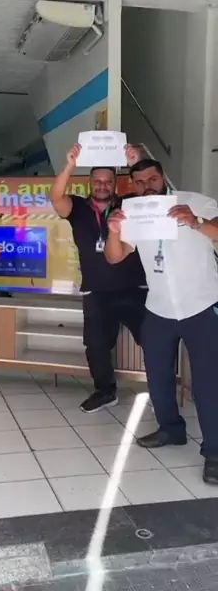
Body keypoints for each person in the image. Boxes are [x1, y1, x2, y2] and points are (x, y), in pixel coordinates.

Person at [105, 157, 218, 484]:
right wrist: (114, 231)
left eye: (152, 179)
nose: (147, 187)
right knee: (157, 377)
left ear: (162, 177)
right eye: (139, 182)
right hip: (158, 308)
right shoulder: (134, 213)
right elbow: (115, 256)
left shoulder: (195, 201)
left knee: (208, 383)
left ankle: (214, 452)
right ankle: (171, 429)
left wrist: (196, 222)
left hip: (201, 305)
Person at [51, 143, 147, 413]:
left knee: (153, 341)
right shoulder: (78, 208)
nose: (103, 185)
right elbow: (55, 197)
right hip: (96, 291)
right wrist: (70, 164)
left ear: (115, 184)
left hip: (134, 287)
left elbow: (150, 196)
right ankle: (105, 392)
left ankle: (161, 390)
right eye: (98, 181)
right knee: (95, 346)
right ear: (90, 183)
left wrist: (135, 163)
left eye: (108, 181)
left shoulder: (128, 205)